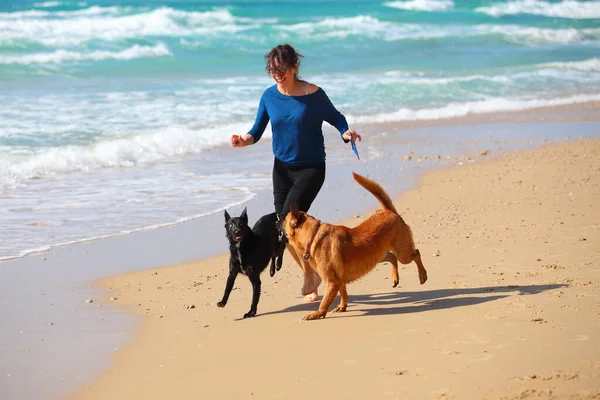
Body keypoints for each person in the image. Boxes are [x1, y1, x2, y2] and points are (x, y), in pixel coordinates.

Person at [230, 43, 361, 301]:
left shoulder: (313, 94)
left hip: (312, 167)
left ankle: (311, 271)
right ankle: (310, 270)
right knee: (283, 225)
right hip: (281, 168)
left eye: (282, 69)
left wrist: (346, 133)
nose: (277, 74)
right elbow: (256, 130)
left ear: (294, 66)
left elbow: (337, 118)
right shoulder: (269, 96)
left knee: (292, 218)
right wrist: (243, 140)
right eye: (272, 70)